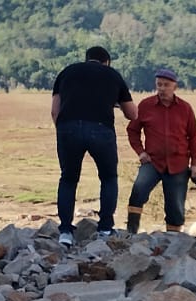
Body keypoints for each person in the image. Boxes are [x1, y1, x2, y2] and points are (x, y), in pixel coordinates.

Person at [51, 46, 136, 247]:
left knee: (69, 178)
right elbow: (132, 113)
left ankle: (65, 231)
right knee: (108, 177)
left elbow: (55, 111)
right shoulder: (112, 75)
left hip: (68, 127)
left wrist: (63, 130)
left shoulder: (67, 72)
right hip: (100, 129)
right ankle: (105, 228)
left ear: (86, 58)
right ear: (107, 62)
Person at [125, 68, 196, 235]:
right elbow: (132, 130)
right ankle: (131, 234)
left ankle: (173, 239)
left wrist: (194, 166)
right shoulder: (146, 105)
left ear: (175, 87)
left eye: (166, 85)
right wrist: (140, 152)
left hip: (179, 163)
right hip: (153, 162)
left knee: (175, 206)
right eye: (159, 85)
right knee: (138, 191)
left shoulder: (185, 108)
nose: (162, 88)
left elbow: (194, 137)